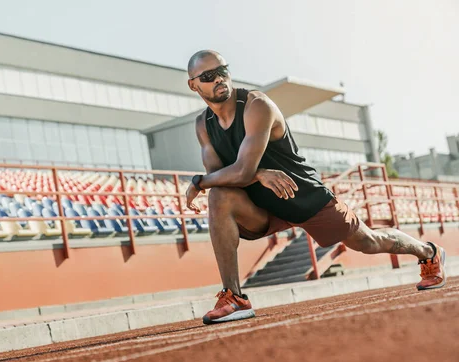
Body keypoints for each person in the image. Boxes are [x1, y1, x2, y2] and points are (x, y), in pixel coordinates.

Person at [184, 50, 447, 325]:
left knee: (368, 242)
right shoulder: (203, 125)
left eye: (223, 70)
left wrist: (198, 182)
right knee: (220, 196)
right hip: (260, 205)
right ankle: (234, 297)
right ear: (194, 84)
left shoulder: (256, 106)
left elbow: (236, 172)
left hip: (302, 196)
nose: (220, 79)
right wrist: (255, 175)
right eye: (209, 76)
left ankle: (428, 252)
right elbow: (220, 175)